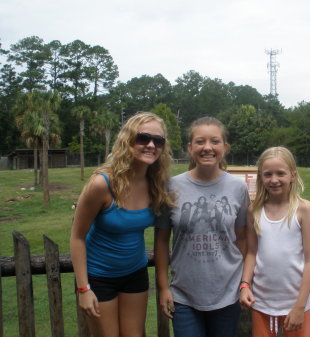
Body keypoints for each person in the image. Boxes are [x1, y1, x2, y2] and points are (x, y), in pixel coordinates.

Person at [70, 112, 175, 337]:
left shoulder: (156, 184)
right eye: (143, 138)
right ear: (128, 141)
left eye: (158, 141)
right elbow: (77, 237)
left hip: (135, 273)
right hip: (99, 276)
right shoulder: (102, 184)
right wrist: (83, 288)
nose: (150, 145)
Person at [155, 116, 250, 337]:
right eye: (200, 141)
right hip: (184, 295)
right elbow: (160, 240)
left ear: (224, 147)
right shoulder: (170, 187)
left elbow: (243, 239)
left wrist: (243, 282)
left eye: (215, 141)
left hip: (228, 293)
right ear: (190, 148)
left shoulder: (238, 188)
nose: (207, 147)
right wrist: (163, 287)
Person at [240, 146, 310, 337]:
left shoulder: (303, 209)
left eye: (280, 173)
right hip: (262, 303)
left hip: (295, 304)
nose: (274, 180)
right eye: (268, 174)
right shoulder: (254, 211)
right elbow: (251, 252)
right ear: (260, 177)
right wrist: (244, 285)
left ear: (293, 175)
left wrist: (300, 306)